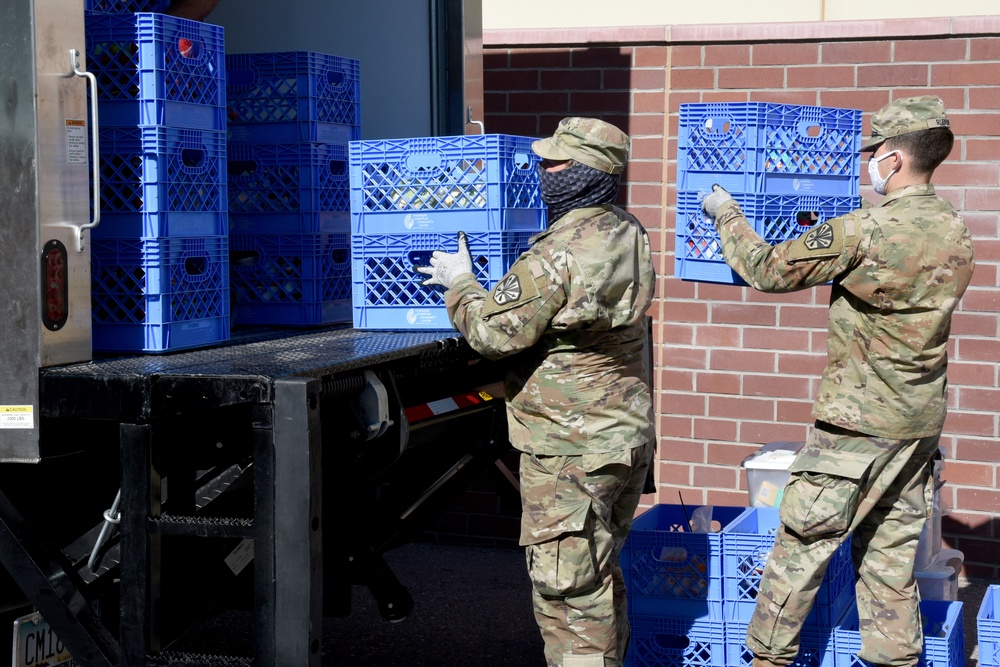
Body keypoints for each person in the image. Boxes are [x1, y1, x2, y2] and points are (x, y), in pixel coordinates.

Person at [700, 95, 975, 667]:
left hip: (854, 428)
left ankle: (766, 660)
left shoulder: (864, 229)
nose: (867, 162)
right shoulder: (954, 227)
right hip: (915, 424)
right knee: (890, 558)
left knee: (801, 550)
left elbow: (767, 269)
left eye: (873, 153)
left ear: (895, 159)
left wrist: (726, 213)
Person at [416, 117, 656, 667]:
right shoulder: (627, 230)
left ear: (585, 173)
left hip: (569, 446)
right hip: (623, 436)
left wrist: (461, 283)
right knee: (599, 577)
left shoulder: (557, 252)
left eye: (555, 163)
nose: (542, 171)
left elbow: (492, 334)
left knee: (568, 595)